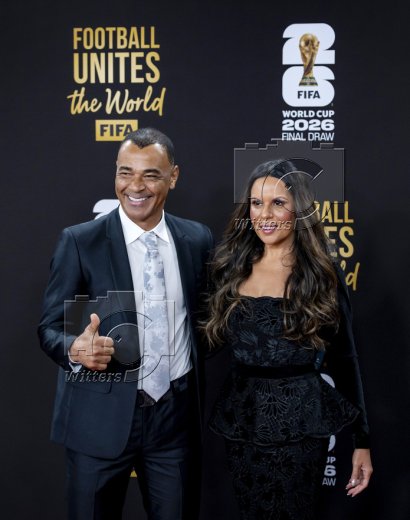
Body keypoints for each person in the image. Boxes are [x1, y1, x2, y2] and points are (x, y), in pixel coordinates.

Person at [38, 128, 213, 520]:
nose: (135, 186)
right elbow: (48, 327)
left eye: (150, 175)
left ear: (173, 177)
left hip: (174, 421)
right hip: (98, 420)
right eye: (125, 172)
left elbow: (205, 322)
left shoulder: (197, 239)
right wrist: (74, 349)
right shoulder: (81, 241)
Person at [203, 159, 373, 519]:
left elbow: (345, 360)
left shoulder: (321, 275)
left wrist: (362, 441)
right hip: (243, 421)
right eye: (256, 203)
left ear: (300, 209)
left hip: (302, 424)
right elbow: (204, 343)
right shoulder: (230, 269)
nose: (265, 214)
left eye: (278, 203)